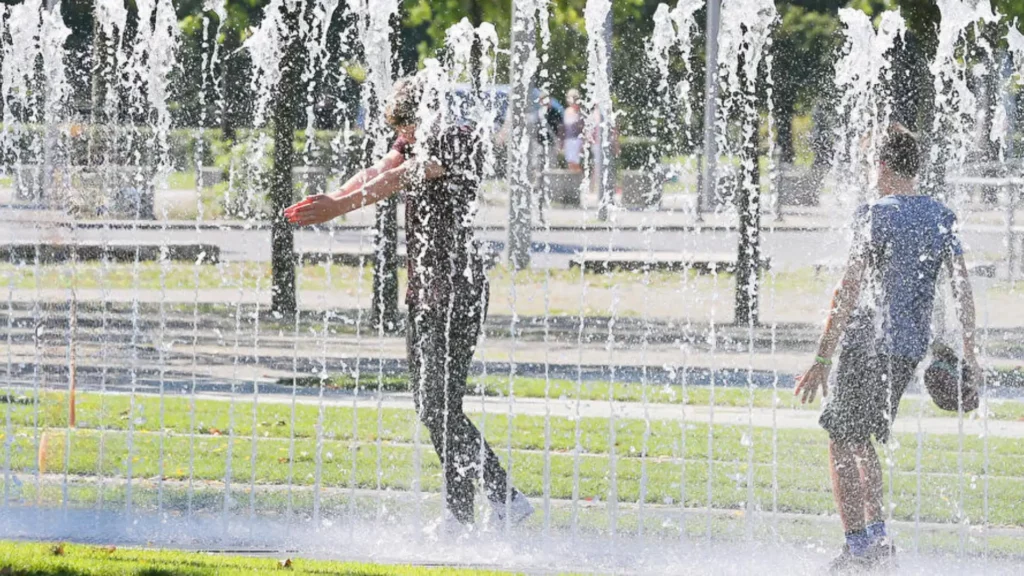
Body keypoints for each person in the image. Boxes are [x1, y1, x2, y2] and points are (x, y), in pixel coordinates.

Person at [284, 74, 534, 532]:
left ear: (426, 115)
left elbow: (400, 178)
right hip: (426, 291)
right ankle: (462, 516)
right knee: (437, 407)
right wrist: (332, 197)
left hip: (457, 291)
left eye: (407, 128)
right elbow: (379, 170)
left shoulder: (458, 139)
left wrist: (339, 209)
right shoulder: (412, 141)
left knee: (437, 406)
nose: (402, 138)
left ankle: (504, 497)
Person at [793, 125, 980, 573]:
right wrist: (969, 352)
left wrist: (822, 356)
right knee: (864, 440)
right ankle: (876, 542)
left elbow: (849, 287)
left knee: (842, 439)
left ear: (882, 165)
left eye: (869, 163)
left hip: (867, 343)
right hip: (908, 350)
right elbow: (961, 287)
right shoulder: (941, 215)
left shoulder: (876, 213)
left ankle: (860, 549)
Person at [562, 89, 583, 172]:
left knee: (575, 162)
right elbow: (564, 128)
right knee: (570, 162)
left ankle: (580, 180)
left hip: (576, 140)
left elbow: (581, 127)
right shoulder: (567, 111)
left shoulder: (579, 111)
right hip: (569, 139)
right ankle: (574, 182)